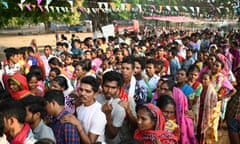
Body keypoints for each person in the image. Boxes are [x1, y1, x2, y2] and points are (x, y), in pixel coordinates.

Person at [63, 76, 107, 144]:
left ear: (95, 94)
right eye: (81, 89)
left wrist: (78, 125)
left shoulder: (99, 113)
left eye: (87, 91)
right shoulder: (79, 105)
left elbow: (90, 142)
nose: (83, 93)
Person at [96, 71, 126, 143]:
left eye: (113, 88)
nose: (109, 90)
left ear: (118, 88)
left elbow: (112, 135)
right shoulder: (96, 98)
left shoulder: (120, 107)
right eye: (106, 86)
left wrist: (108, 115)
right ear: (102, 85)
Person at [197, 72, 219, 144]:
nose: (203, 81)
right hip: (199, 112)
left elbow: (214, 104)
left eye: (205, 79)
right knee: (198, 129)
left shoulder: (212, 92)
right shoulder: (200, 88)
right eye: (202, 79)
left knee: (204, 132)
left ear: (210, 80)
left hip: (207, 113)